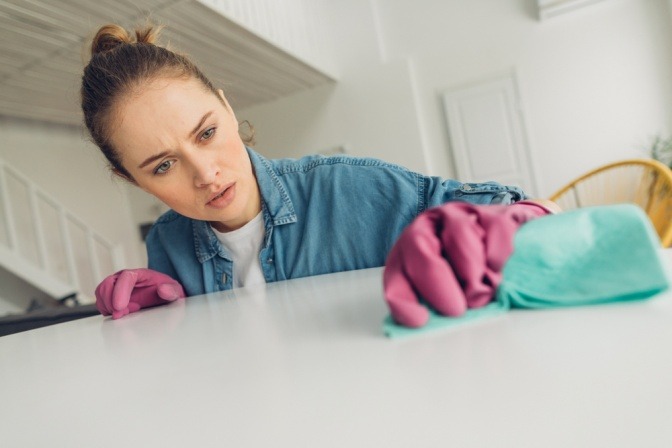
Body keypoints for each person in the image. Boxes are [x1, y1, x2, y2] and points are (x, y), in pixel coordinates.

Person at [81, 23, 558, 322]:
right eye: (163, 166)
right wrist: (150, 325)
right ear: (131, 179)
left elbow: (526, 214)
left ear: (226, 106)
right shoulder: (167, 245)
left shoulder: (346, 188)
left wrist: (518, 220)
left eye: (206, 133)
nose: (205, 173)